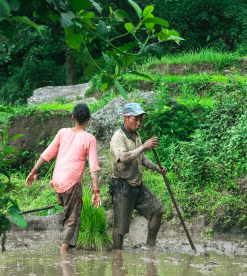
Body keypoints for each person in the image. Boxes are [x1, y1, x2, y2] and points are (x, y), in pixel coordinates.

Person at [26, 103, 101, 252]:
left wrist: (34, 171)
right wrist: (96, 191)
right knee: (72, 219)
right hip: (71, 183)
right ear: (88, 119)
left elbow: (47, 153)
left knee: (68, 212)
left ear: (73, 118)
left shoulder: (63, 132)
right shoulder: (89, 138)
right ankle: (64, 252)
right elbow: (93, 168)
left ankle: (66, 244)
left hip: (58, 181)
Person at [109, 102, 166, 249]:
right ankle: (117, 255)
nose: (139, 123)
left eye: (141, 119)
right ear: (125, 118)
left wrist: (156, 168)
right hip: (122, 185)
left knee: (157, 211)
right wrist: (143, 147)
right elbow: (124, 157)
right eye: (136, 119)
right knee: (120, 228)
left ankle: (150, 246)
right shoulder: (118, 137)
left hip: (137, 184)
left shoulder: (136, 136)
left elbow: (142, 158)